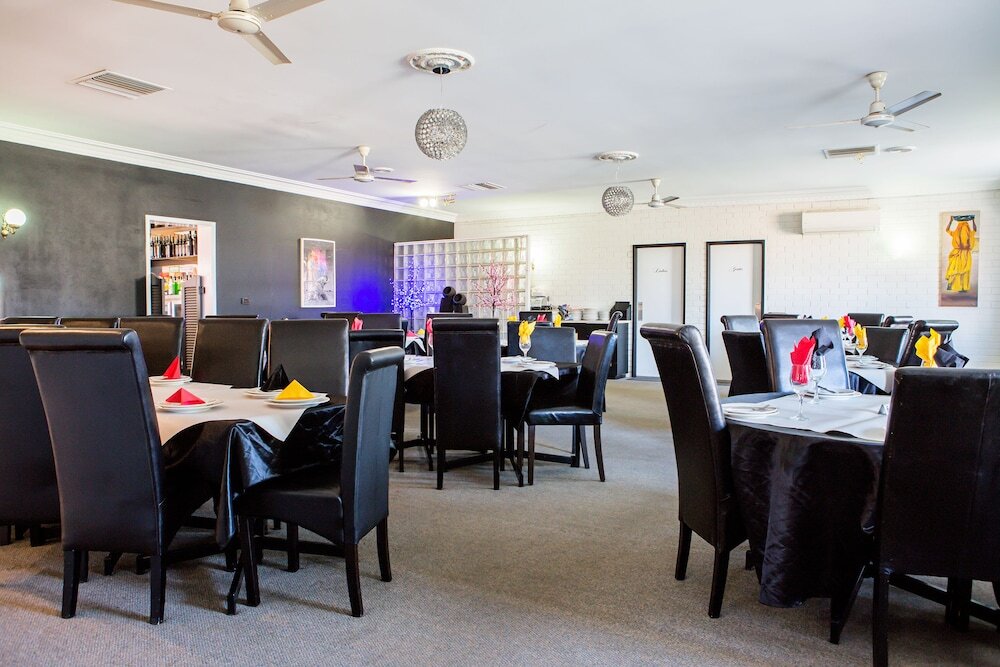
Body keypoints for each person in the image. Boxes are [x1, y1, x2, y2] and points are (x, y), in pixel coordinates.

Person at [945, 214, 978, 293]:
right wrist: (973, 221)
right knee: (960, 270)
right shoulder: (969, 233)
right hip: (962, 254)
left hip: (959, 253)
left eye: (965, 225)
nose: (964, 228)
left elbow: (947, 230)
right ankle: (961, 287)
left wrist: (951, 221)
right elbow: (975, 229)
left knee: (956, 269)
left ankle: (959, 286)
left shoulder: (957, 233)